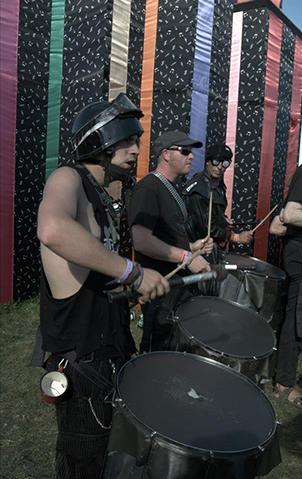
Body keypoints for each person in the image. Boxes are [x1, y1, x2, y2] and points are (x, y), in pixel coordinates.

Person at [37, 93, 169, 479]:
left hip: (110, 345)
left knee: (114, 453)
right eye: (128, 141)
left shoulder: (104, 196)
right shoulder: (68, 178)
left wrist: (129, 289)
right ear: (101, 142)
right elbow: (52, 229)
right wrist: (133, 272)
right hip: (82, 360)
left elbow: (93, 273)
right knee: (84, 462)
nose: (136, 150)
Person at [128, 130, 214, 352]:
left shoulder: (171, 188)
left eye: (192, 152)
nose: (192, 156)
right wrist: (186, 257)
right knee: (156, 354)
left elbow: (167, 236)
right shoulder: (148, 188)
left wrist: (193, 247)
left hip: (176, 289)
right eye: (185, 151)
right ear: (165, 154)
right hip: (161, 290)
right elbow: (141, 240)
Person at [273, 125, 302, 409]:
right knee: (298, 318)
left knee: (301, 315)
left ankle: (283, 378)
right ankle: (284, 386)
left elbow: (281, 220)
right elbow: (290, 214)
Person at [182, 145, 253, 295]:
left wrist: (224, 220)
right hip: (200, 249)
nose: (220, 167)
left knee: (212, 292)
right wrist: (236, 237)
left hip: (212, 249)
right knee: (200, 295)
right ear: (207, 161)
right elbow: (206, 228)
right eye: (216, 161)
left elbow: (213, 215)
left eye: (225, 163)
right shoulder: (200, 188)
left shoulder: (218, 184)